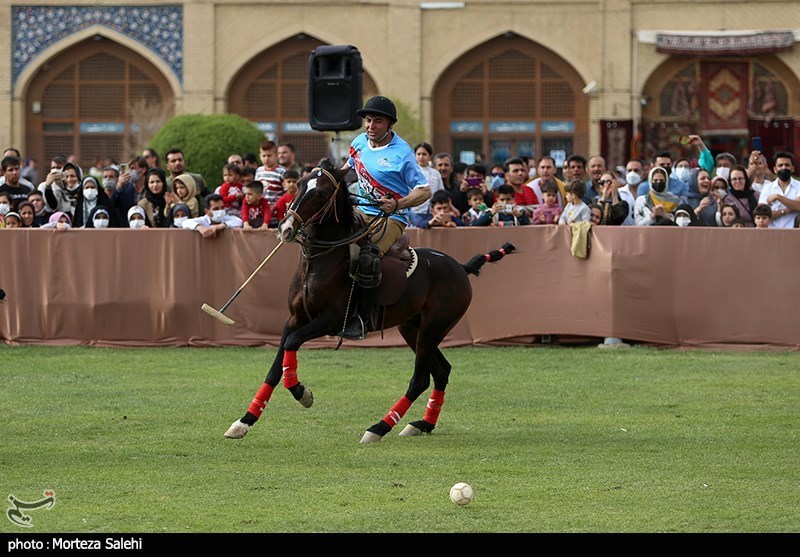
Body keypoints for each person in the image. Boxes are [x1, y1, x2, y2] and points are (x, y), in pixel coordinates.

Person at [342, 96, 431, 338]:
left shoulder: (402, 154)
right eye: (368, 121)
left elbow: (424, 190)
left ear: (390, 124)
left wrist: (398, 204)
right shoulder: (359, 142)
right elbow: (349, 170)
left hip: (391, 217)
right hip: (361, 211)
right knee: (336, 248)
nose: (370, 126)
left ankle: (361, 319)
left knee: (368, 260)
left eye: (377, 121)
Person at [758, 151, 800, 228]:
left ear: (792, 168)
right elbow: (761, 214)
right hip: (772, 234)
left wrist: (778, 197)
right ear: (775, 169)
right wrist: (787, 210)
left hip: (795, 234)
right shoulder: (767, 188)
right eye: (780, 165)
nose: (784, 167)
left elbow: (799, 206)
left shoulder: (799, 186)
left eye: (787, 165)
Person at [255, 140, 285, 207]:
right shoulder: (259, 171)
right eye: (264, 156)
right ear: (260, 156)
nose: (266, 158)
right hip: (261, 209)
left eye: (269, 156)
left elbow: (285, 193)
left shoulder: (282, 172)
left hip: (276, 209)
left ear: (276, 155)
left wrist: (277, 205)